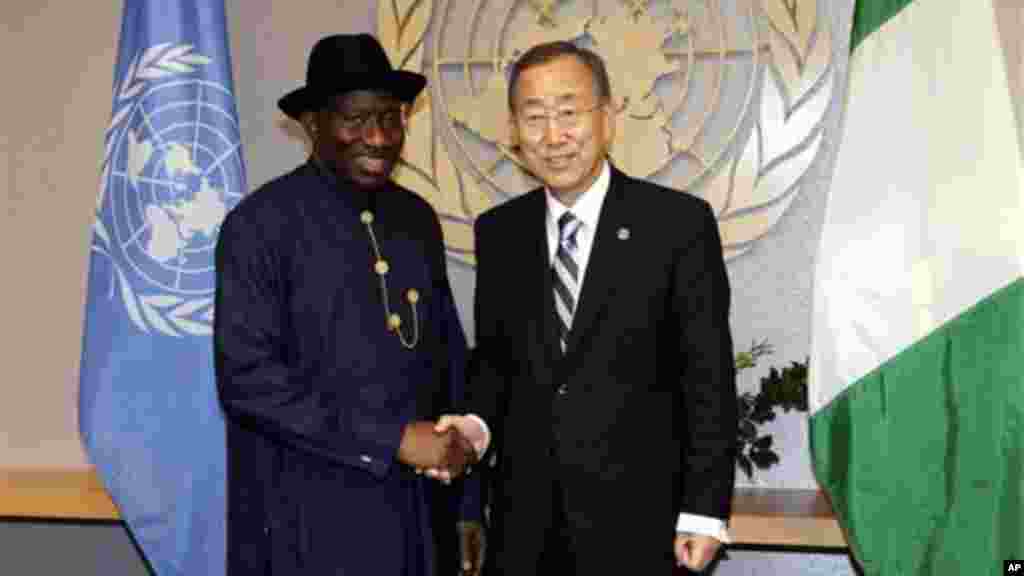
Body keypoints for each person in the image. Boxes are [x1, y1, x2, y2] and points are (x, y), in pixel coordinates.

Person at [434, 41, 738, 574]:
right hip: (527, 532)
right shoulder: (500, 233)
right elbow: (495, 363)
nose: (553, 137)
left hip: (642, 527)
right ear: (514, 131)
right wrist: (477, 426)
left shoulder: (677, 225)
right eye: (534, 117)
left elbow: (708, 379)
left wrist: (704, 511)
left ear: (608, 117)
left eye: (569, 113)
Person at [214, 33, 482, 576]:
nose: (379, 136)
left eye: (391, 117)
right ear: (313, 124)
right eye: (356, 120)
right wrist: (393, 440)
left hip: (417, 519)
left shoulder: (416, 219)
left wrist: (468, 505)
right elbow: (248, 381)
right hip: (308, 522)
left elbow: (449, 359)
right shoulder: (261, 225)